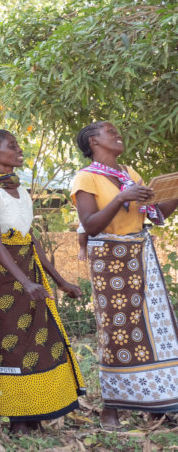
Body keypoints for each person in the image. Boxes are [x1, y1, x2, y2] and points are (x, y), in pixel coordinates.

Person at [0, 130, 84, 432]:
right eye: (11, 146)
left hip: (28, 273)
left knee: (38, 342)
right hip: (0, 281)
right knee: (9, 345)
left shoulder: (19, 189)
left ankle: (35, 412)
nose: (18, 150)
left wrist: (61, 281)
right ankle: (16, 419)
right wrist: (25, 283)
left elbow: (31, 241)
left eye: (18, 146)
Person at [71, 121, 178, 429]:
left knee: (151, 331)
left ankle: (156, 402)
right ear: (93, 142)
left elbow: (156, 215)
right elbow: (90, 225)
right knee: (116, 329)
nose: (117, 134)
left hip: (141, 254)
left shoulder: (129, 174)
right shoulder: (85, 178)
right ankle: (111, 407)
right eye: (109, 131)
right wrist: (121, 197)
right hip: (110, 260)